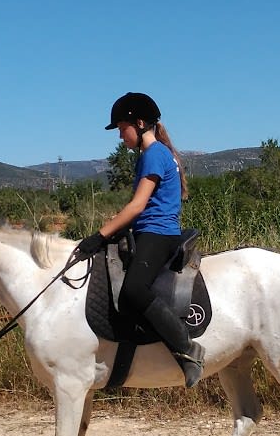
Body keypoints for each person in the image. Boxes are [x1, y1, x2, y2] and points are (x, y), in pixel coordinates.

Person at [72, 92, 205, 387]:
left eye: (122, 128)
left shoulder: (155, 154)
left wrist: (99, 235)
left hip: (158, 234)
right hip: (146, 231)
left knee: (133, 290)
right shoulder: (151, 156)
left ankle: (187, 349)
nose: (121, 136)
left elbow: (137, 206)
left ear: (140, 123)